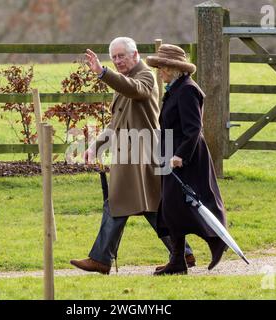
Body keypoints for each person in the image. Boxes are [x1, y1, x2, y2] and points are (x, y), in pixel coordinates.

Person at [70, 37, 195, 275]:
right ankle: (183, 253)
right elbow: (116, 123)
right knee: (151, 206)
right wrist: (95, 146)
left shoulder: (145, 76)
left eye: (122, 56)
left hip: (142, 154)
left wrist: (102, 72)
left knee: (119, 203)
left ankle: (101, 259)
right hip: (131, 155)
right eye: (114, 57)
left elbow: (135, 90)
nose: (117, 61)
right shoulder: (124, 83)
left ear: (135, 55)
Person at [146, 44, 228, 275]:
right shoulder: (176, 88)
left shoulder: (187, 90)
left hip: (186, 158)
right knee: (172, 209)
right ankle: (178, 261)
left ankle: (217, 241)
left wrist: (180, 155)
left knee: (196, 203)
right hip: (172, 154)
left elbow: (194, 129)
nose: (160, 72)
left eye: (163, 67)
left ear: (174, 68)